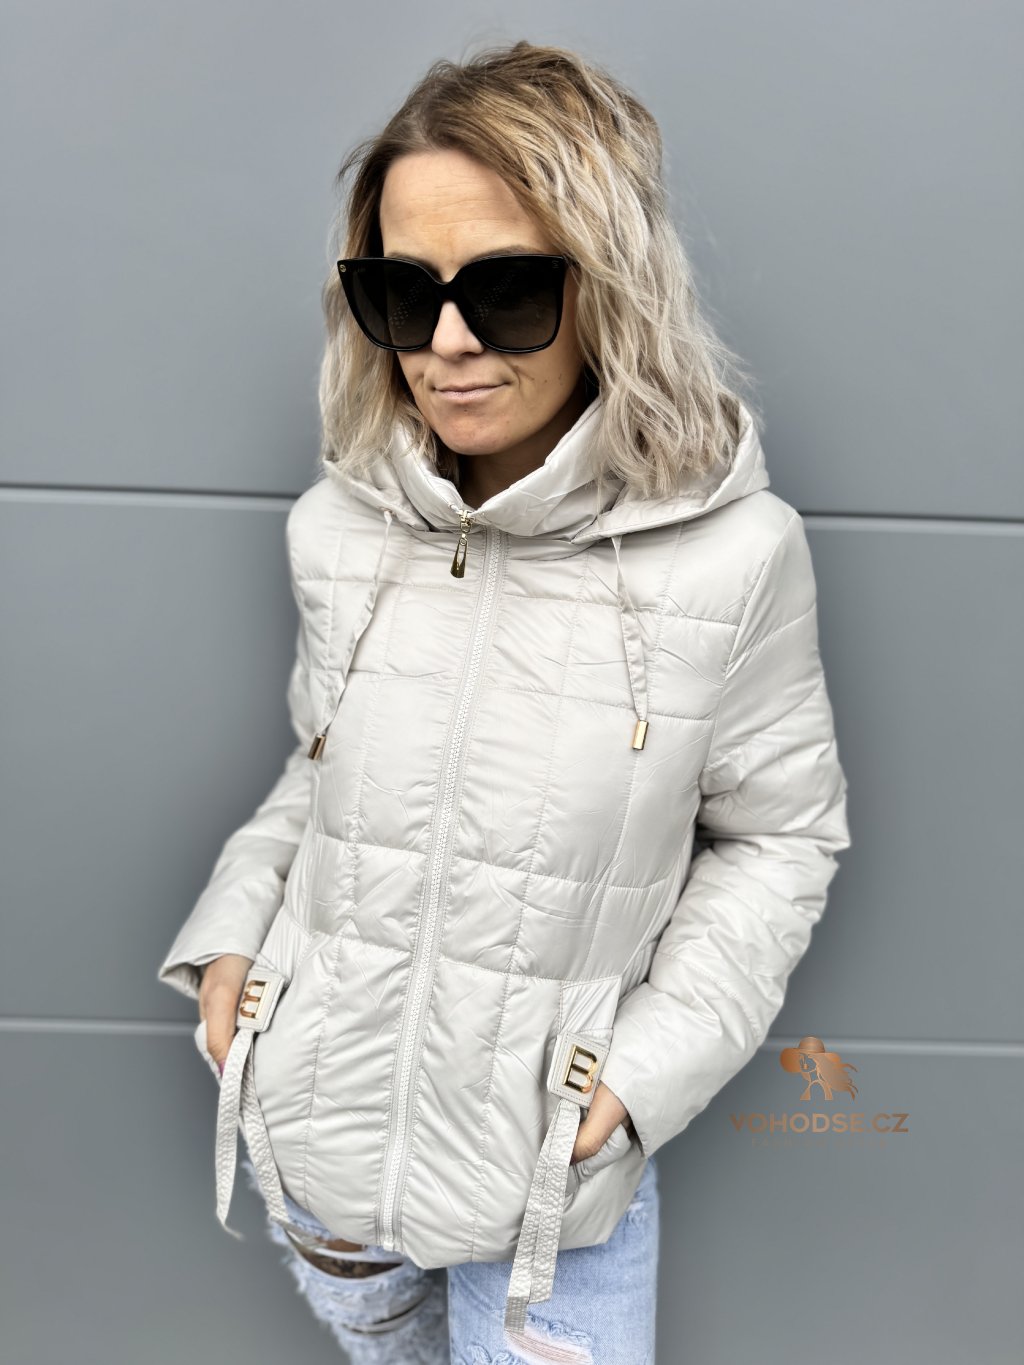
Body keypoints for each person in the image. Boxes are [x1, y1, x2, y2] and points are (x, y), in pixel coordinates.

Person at [158, 38, 851, 1365]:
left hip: (552, 1190)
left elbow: (780, 839)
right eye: (400, 293)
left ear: (610, 287)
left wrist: (637, 1079)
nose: (449, 343)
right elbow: (319, 768)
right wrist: (232, 940)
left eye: (510, 289)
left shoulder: (734, 556)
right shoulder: (338, 528)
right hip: (322, 1142)